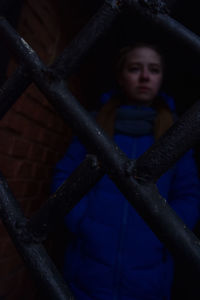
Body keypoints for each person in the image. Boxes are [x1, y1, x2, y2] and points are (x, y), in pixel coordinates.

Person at [51, 43, 200, 300]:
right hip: (87, 269)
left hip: (149, 276)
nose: (144, 76)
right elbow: (64, 176)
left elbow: (188, 193)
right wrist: (82, 223)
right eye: (134, 68)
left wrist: (164, 234)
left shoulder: (174, 134)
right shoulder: (95, 125)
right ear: (121, 77)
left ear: (161, 78)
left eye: (153, 70)